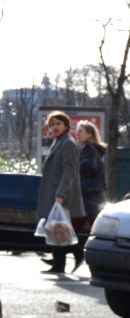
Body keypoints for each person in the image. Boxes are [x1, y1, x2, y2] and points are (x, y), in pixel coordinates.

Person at [35, 111, 85, 274]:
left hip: (62, 193)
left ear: (65, 126)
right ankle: (62, 262)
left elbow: (69, 171)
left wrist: (61, 194)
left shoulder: (68, 143)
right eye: (52, 124)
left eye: (58, 124)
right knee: (57, 227)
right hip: (55, 191)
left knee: (59, 226)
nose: (55, 127)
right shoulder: (58, 142)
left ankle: (71, 257)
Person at [73, 120, 107, 271]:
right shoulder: (91, 148)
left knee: (75, 227)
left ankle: (80, 254)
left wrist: (73, 164)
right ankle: (69, 254)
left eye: (80, 131)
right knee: (82, 227)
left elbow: (89, 167)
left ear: (89, 134)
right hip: (91, 196)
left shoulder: (88, 148)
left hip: (88, 195)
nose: (77, 133)